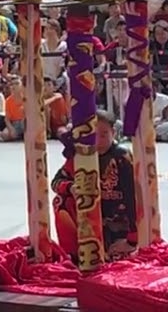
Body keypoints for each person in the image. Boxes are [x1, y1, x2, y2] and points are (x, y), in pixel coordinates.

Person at [51, 110, 137, 266]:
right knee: (60, 201)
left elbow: (133, 197)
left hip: (119, 222)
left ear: (114, 133)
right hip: (92, 220)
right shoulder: (81, 155)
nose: (98, 140)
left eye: (104, 134)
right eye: (94, 134)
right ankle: (73, 253)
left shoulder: (121, 157)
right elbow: (56, 182)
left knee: (117, 261)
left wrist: (132, 240)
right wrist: (71, 187)